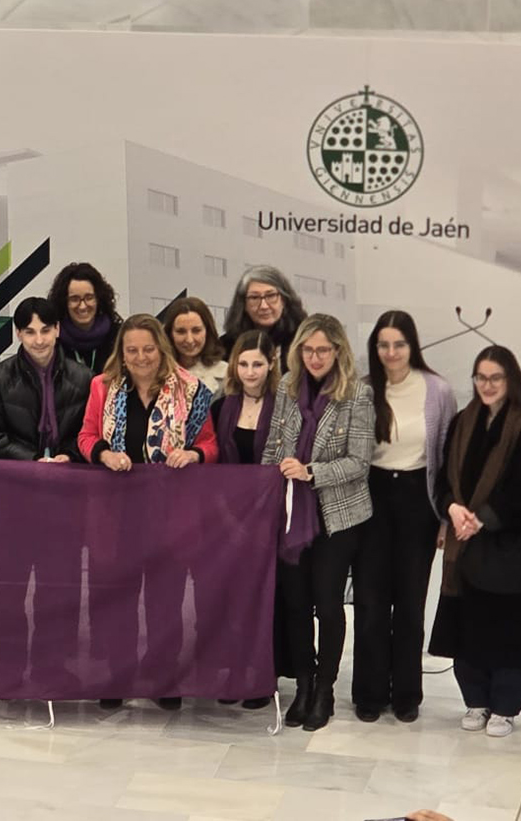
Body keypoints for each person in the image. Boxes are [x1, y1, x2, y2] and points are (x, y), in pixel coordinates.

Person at [77, 312, 217, 709]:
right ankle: (116, 676)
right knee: (116, 597)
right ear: (122, 353)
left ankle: (163, 678)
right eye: (132, 350)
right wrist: (103, 454)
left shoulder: (191, 390)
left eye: (148, 349)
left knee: (165, 599)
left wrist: (193, 454)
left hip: (169, 514)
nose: (140, 357)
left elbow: (210, 444)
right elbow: (86, 435)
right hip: (115, 513)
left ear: (162, 349)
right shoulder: (102, 387)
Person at [429, 346, 521, 739]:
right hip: (466, 545)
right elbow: (444, 480)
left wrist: (482, 519)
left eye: (495, 378)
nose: (487, 385)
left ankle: (504, 707)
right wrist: (452, 509)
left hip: (512, 549)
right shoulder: (463, 422)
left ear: (510, 380)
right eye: (481, 378)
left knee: (509, 632)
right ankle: (476, 700)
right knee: (468, 628)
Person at [258, 313, 372, 731]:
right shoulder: (288, 388)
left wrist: (311, 472)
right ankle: (303, 686)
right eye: (308, 350)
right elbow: (273, 447)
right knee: (295, 604)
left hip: (337, 516)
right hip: (292, 515)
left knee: (327, 605)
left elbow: (359, 462)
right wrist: (272, 478)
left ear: (338, 351)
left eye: (323, 350)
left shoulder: (357, 394)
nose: (315, 357)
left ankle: (325, 690)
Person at [0, 297, 91, 694]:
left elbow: (91, 432)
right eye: (30, 332)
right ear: (18, 334)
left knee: (56, 589)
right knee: (10, 590)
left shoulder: (84, 378)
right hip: (12, 503)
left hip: (65, 504)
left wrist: (69, 456)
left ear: (58, 330)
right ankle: (8, 669)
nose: (39, 340)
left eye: (45, 330)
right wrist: (31, 462)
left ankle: (51, 667)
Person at [355, 310, 458, 724]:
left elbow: (448, 458)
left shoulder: (438, 390)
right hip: (372, 495)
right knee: (370, 601)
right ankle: (369, 692)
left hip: (419, 498)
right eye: (383, 345)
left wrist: (445, 519)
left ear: (413, 346)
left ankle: (407, 694)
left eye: (399, 344)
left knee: (411, 603)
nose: (391, 352)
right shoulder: (363, 389)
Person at [207, 329, 279, 711]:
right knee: (231, 599)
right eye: (244, 364)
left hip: (272, 519)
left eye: (258, 364)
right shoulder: (223, 407)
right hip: (229, 520)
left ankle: (261, 678)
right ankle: (233, 673)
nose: (250, 372)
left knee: (265, 600)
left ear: (271, 365)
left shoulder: (284, 408)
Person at [221, 266, 307, 372]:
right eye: (254, 298)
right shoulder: (225, 347)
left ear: (284, 300)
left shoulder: (304, 340)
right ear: (243, 304)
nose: (264, 306)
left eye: (271, 296)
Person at [48, 262, 121, 372]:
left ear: (99, 299)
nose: (82, 306)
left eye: (89, 298)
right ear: (63, 302)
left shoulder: (118, 337)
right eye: (74, 299)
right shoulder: (53, 342)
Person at [160, 296, 226, 386]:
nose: (189, 340)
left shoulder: (226, 374)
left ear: (207, 331)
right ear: (170, 333)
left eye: (196, 331)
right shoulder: (156, 373)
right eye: (181, 332)